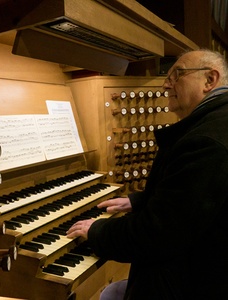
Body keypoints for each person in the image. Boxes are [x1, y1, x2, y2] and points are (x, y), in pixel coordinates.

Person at [66, 49, 228, 300]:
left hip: (194, 282)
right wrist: (140, 200)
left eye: (177, 75)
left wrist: (98, 231)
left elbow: (157, 233)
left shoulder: (206, 141)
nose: (165, 84)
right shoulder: (215, 122)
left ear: (210, 80)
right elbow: (196, 197)